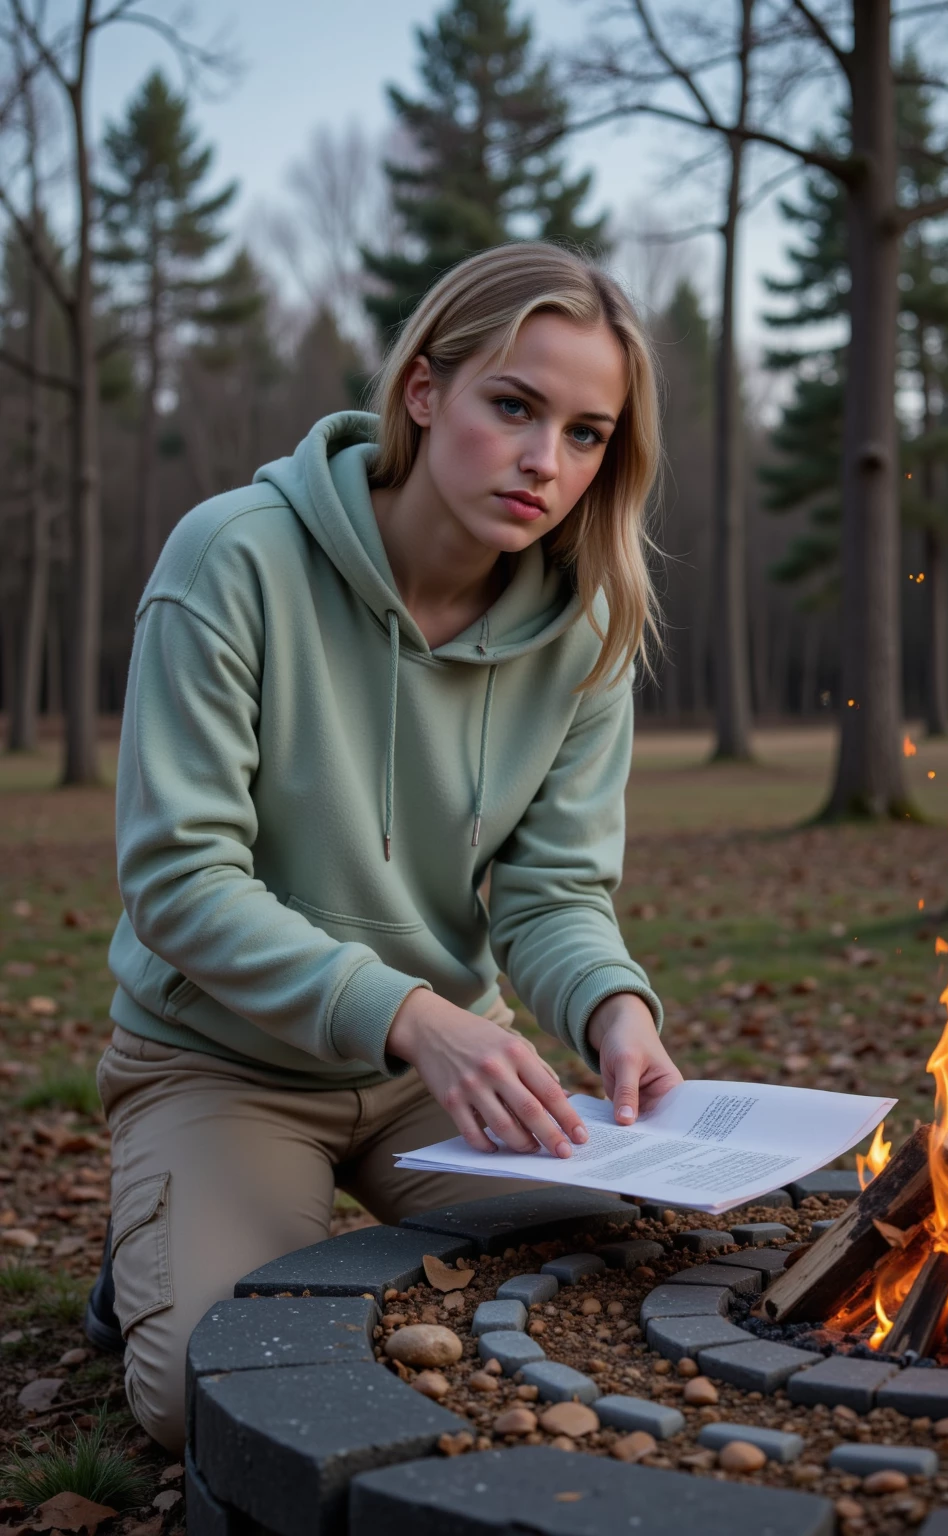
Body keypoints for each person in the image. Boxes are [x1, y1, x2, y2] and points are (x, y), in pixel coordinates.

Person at [85, 241, 682, 1453]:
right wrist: (413, 1010)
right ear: (423, 389)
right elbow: (180, 882)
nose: (542, 462)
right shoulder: (233, 557)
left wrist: (613, 1008)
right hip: (223, 1060)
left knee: (608, 1296)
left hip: (439, 1076)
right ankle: (166, 1243)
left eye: (585, 434)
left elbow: (552, 890)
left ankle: (277, 1240)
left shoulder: (585, 629)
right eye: (511, 405)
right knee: (217, 1394)